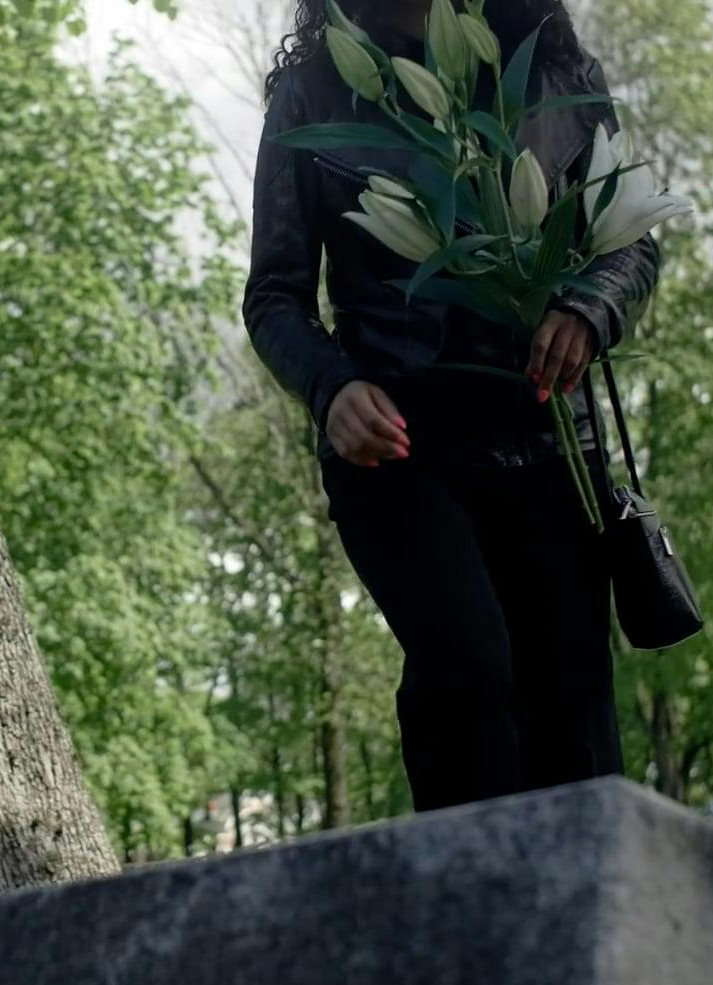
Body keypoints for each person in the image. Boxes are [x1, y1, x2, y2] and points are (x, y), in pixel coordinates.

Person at [242, 0, 662, 812]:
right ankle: (462, 888)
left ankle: (579, 896)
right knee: (469, 676)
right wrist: (331, 388)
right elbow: (273, 297)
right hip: (398, 450)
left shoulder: (557, 71)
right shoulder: (313, 93)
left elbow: (632, 241)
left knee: (573, 727)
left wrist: (588, 309)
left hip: (549, 444)